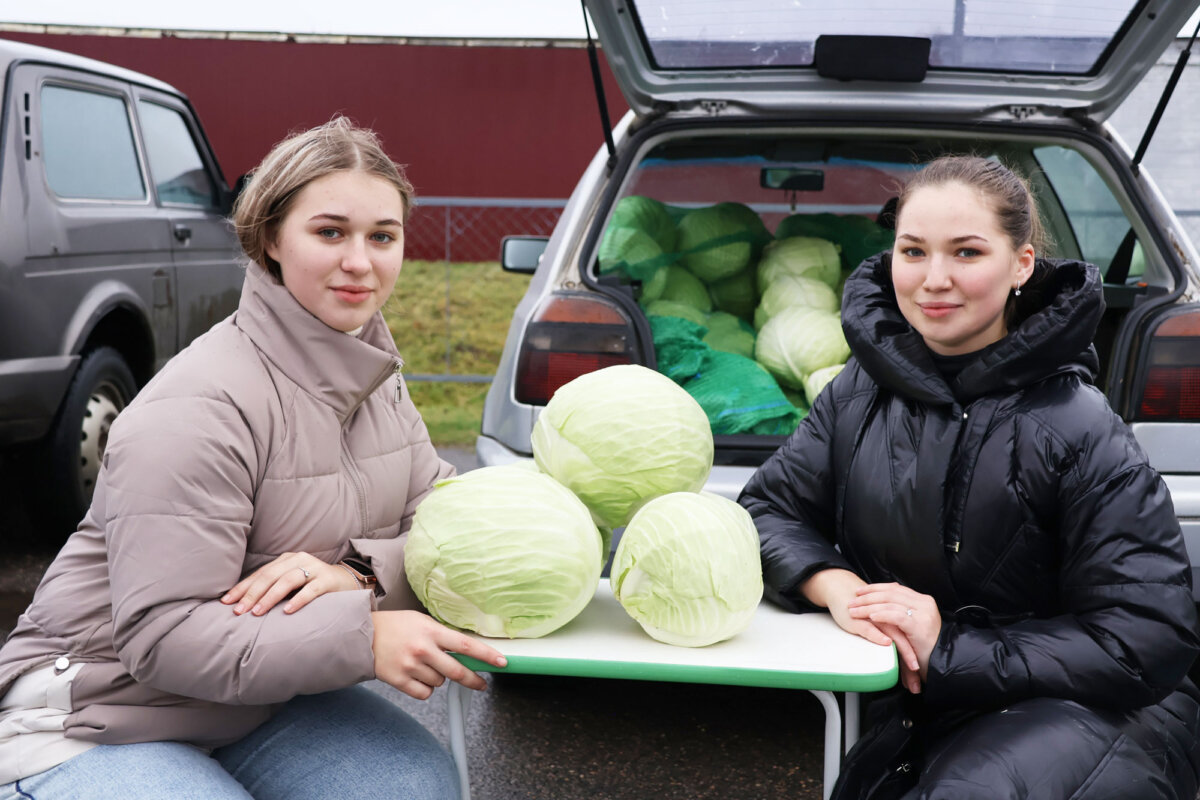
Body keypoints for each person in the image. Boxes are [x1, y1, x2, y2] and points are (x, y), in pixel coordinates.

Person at [0, 117, 507, 799]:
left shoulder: (377, 381)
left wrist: (353, 575)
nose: (360, 260)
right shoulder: (199, 405)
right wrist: (363, 640)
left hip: (255, 698)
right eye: (330, 232)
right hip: (99, 707)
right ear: (271, 238)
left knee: (414, 786)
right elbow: (163, 638)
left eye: (381, 236)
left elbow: (447, 532)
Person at [739, 155, 1200, 798]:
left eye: (966, 253)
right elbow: (766, 511)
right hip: (912, 699)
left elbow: (1146, 640)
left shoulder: (1077, 424)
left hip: (1084, 708)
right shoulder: (858, 391)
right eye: (913, 251)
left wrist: (949, 646)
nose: (934, 280)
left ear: (1021, 265)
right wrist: (836, 586)